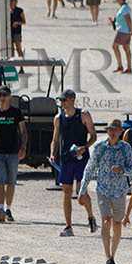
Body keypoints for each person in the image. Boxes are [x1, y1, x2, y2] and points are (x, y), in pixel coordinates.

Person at [85, 120, 132, 264]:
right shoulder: (99, 147)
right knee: (106, 222)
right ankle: (108, 257)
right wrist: (83, 189)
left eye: (115, 130)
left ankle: (113, 256)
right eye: (110, 130)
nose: (112, 132)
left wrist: (122, 170)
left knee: (116, 223)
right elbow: (90, 168)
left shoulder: (125, 148)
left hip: (120, 191)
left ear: (120, 131)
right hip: (103, 189)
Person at [50, 89, 98, 237]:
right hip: (66, 158)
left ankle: (90, 217)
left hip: (81, 158)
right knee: (66, 192)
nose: (62, 103)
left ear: (72, 99)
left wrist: (84, 148)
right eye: (61, 101)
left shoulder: (83, 114)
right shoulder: (58, 118)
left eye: (64, 100)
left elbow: (94, 136)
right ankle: (68, 226)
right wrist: (52, 154)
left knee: (81, 191)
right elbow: (55, 139)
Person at [0, 85, 26, 223]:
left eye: (5, 95)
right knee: (0, 181)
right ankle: (0, 208)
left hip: (13, 151)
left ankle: (8, 209)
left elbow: (23, 131)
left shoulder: (16, 112)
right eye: (0, 95)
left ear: (9, 96)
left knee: (11, 182)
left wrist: (23, 147)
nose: (2, 98)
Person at [111, 0, 132, 73]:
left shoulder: (124, 8)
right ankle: (128, 67)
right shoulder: (124, 7)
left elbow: (128, 19)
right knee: (126, 48)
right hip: (124, 30)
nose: (116, 0)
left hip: (123, 30)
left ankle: (121, 66)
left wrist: (131, 31)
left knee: (115, 46)